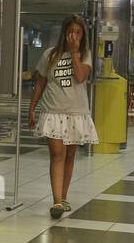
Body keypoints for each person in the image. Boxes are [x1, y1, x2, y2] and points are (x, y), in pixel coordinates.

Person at [28, 14, 99, 218]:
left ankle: (64, 196)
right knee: (57, 155)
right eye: (71, 32)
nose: (74, 35)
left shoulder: (85, 54)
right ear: (64, 33)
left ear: (83, 34)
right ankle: (57, 201)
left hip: (76, 113)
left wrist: (75, 52)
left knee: (69, 155)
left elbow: (80, 76)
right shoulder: (50, 55)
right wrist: (32, 108)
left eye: (78, 32)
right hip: (53, 111)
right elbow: (40, 82)